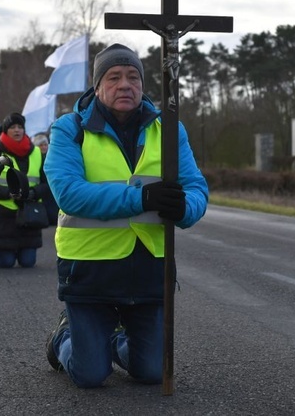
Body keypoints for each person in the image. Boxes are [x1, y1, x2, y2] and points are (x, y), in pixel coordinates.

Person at [43, 43, 209, 388]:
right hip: (89, 269)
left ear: (143, 85)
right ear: (97, 86)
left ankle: (115, 340)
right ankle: (64, 337)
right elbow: (69, 193)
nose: (125, 85)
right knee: (90, 376)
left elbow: (195, 186)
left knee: (152, 372)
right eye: (114, 77)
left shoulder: (170, 128)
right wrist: (142, 197)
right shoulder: (69, 129)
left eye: (133, 77)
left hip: (149, 269)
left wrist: (185, 208)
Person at [0, 112, 51, 268]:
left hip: (28, 214)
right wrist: (9, 194)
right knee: (6, 262)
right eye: (12, 127)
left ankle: (16, 251)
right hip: (2, 214)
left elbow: (47, 184)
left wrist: (33, 193)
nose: (17, 130)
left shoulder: (37, 154)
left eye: (20, 127)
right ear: (5, 131)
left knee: (28, 262)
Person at [32, 132, 58, 226]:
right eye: (40, 145)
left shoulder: (53, 157)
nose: (43, 147)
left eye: (45, 144)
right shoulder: (34, 159)